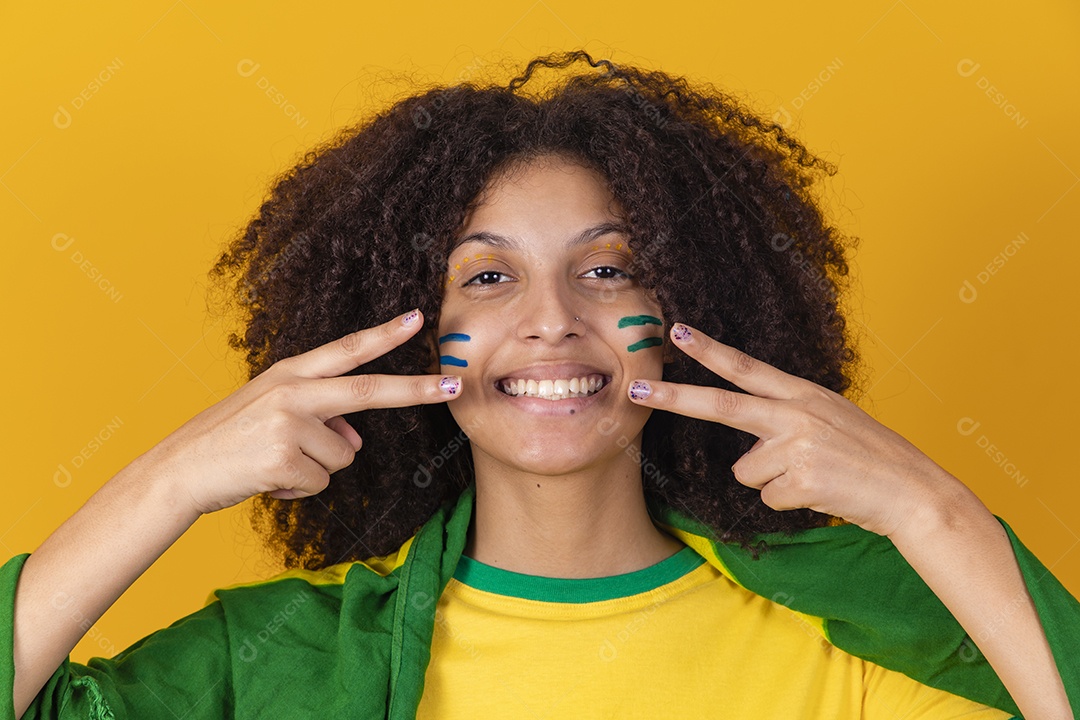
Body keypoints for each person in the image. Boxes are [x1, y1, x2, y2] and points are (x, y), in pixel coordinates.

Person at [4, 50, 1077, 719]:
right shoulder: (275, 663)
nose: (554, 319)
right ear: (403, 335)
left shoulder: (850, 649)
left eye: (607, 269)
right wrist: (169, 480)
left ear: (688, 309)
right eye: (486, 277)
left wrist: (929, 510)